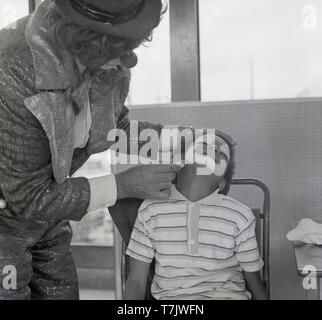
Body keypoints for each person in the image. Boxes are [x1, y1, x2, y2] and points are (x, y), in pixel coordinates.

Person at [0, 0, 234, 299]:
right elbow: (29, 195)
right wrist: (122, 185)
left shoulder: (105, 64)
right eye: (120, 49)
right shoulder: (12, 71)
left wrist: (185, 139)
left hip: (47, 218)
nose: (129, 60)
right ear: (91, 40)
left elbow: (114, 131)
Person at [124, 134, 268, 300]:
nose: (212, 149)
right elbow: (136, 280)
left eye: (220, 155)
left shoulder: (239, 215)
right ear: (178, 165)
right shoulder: (150, 210)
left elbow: (255, 283)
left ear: (222, 184)